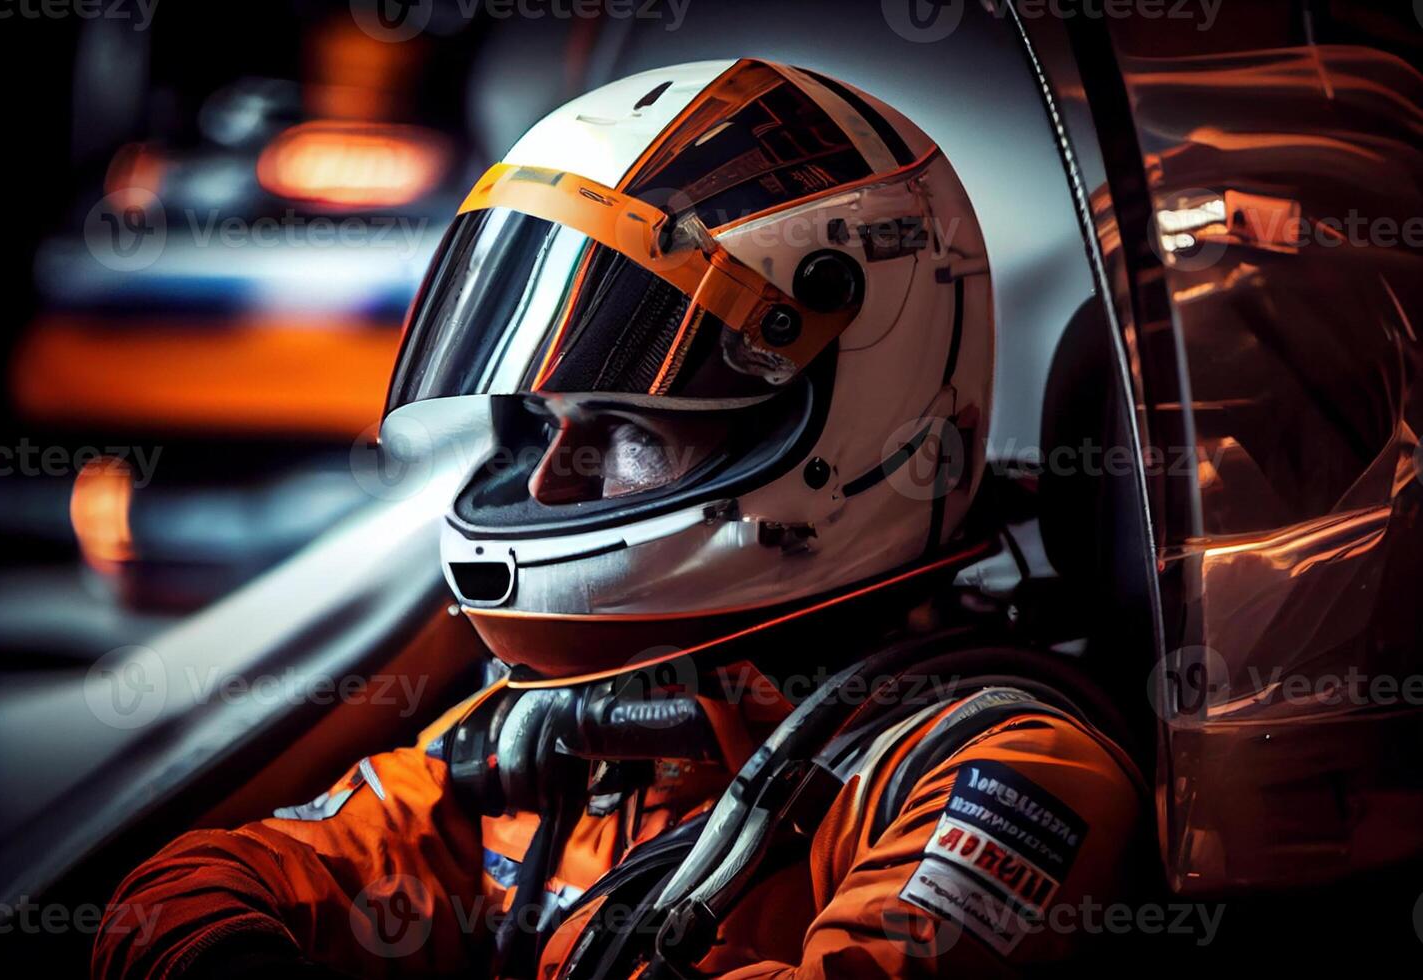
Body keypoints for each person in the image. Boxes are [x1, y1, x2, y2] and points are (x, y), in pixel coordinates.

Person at [93, 60, 1147, 979]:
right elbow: (186, 890)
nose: (549, 487)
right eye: (541, 429)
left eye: (627, 431)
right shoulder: (568, 726)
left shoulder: (1002, 772)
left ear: (851, 429)